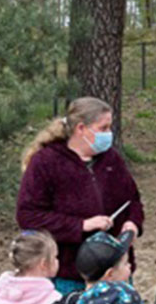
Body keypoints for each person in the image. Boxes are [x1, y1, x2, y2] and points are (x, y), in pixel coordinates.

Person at [16, 97, 145, 294]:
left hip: (116, 270)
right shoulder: (45, 163)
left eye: (110, 127)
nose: (109, 134)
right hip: (71, 277)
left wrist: (133, 224)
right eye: (103, 128)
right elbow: (28, 216)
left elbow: (133, 200)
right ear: (81, 128)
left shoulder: (112, 158)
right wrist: (81, 225)